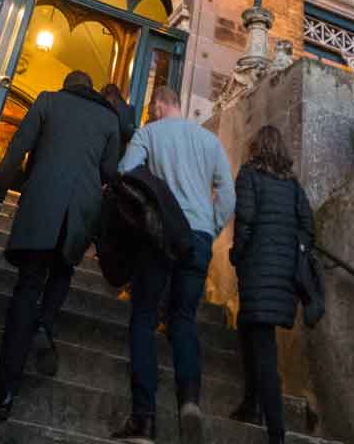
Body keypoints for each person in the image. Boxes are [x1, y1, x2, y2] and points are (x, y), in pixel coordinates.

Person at [0, 70, 121, 420]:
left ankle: (3, 392)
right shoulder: (109, 119)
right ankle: (45, 323)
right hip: (80, 214)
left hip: (42, 207)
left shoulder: (49, 101)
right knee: (63, 269)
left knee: (27, 289)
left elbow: (18, 147)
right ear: (91, 89)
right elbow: (109, 174)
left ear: (67, 86)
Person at [110, 86, 235, 444]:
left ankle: (143, 420)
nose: (151, 115)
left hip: (160, 233)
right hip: (197, 237)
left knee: (145, 317)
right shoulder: (208, 141)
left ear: (159, 105)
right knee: (183, 319)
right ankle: (190, 403)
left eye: (152, 109)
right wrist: (209, 227)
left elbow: (125, 173)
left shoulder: (149, 133)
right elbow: (227, 194)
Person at [228, 125, 313, 444]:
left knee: (262, 348)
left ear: (255, 148)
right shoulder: (292, 185)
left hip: (257, 270)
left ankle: (277, 431)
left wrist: (237, 254)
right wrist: (292, 252)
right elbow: (308, 225)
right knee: (248, 329)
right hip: (282, 277)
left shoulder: (249, 175)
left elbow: (246, 219)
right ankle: (251, 404)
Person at [101, 82, 139, 153]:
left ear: (112, 95)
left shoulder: (121, 109)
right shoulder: (127, 109)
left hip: (114, 151)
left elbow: (129, 133)